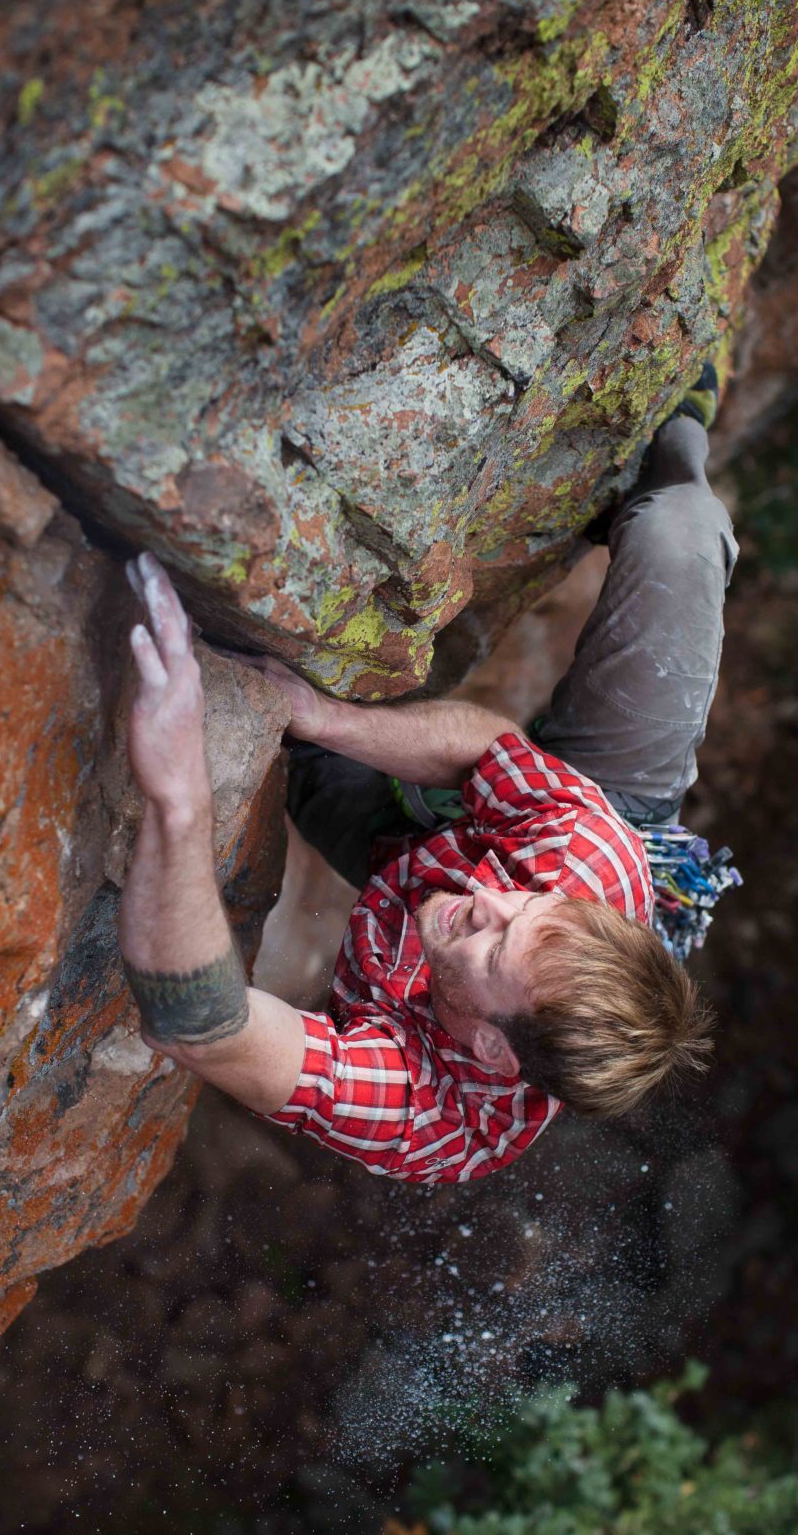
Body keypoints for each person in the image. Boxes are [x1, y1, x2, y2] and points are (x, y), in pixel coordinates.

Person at [118, 369, 737, 1183]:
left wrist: (178, 802)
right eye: (521, 908)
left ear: (489, 1046)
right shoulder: (583, 868)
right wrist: (322, 715)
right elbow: (491, 754)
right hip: (616, 806)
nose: (486, 897)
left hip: (402, 849)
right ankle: (682, 425)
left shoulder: (431, 1117)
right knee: (681, 531)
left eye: (493, 945)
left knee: (298, 744)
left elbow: (204, 1031)